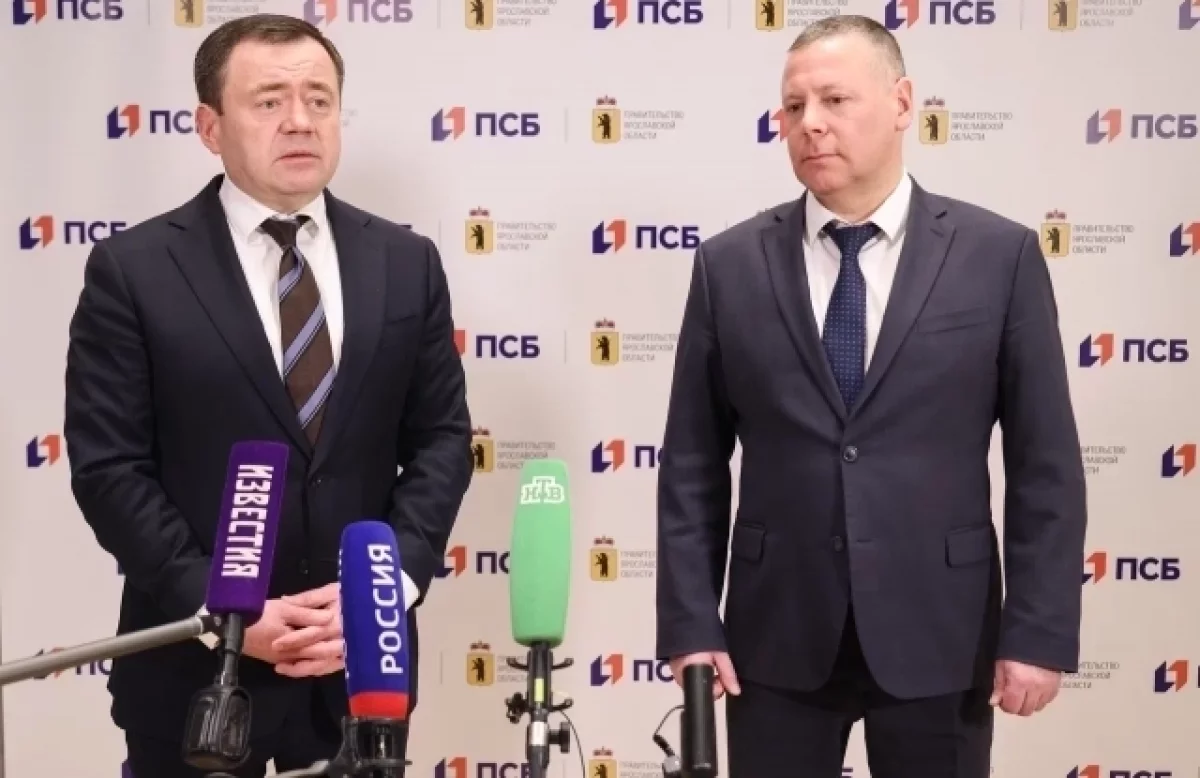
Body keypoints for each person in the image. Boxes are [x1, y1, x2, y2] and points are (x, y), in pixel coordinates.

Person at [654, 15, 1086, 778]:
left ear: (902, 102)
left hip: (942, 634)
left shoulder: (1000, 257)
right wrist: (690, 622)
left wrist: (1038, 631)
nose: (810, 124)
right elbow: (691, 462)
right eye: (794, 107)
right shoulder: (728, 266)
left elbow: (1044, 462)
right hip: (775, 640)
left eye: (834, 100)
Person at [63, 14, 473, 777]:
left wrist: (384, 593)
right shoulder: (134, 270)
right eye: (269, 101)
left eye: (319, 99)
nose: (300, 121)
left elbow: (442, 441)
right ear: (210, 127)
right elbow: (109, 468)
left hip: (360, 675)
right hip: (196, 682)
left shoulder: (406, 262)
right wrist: (221, 607)